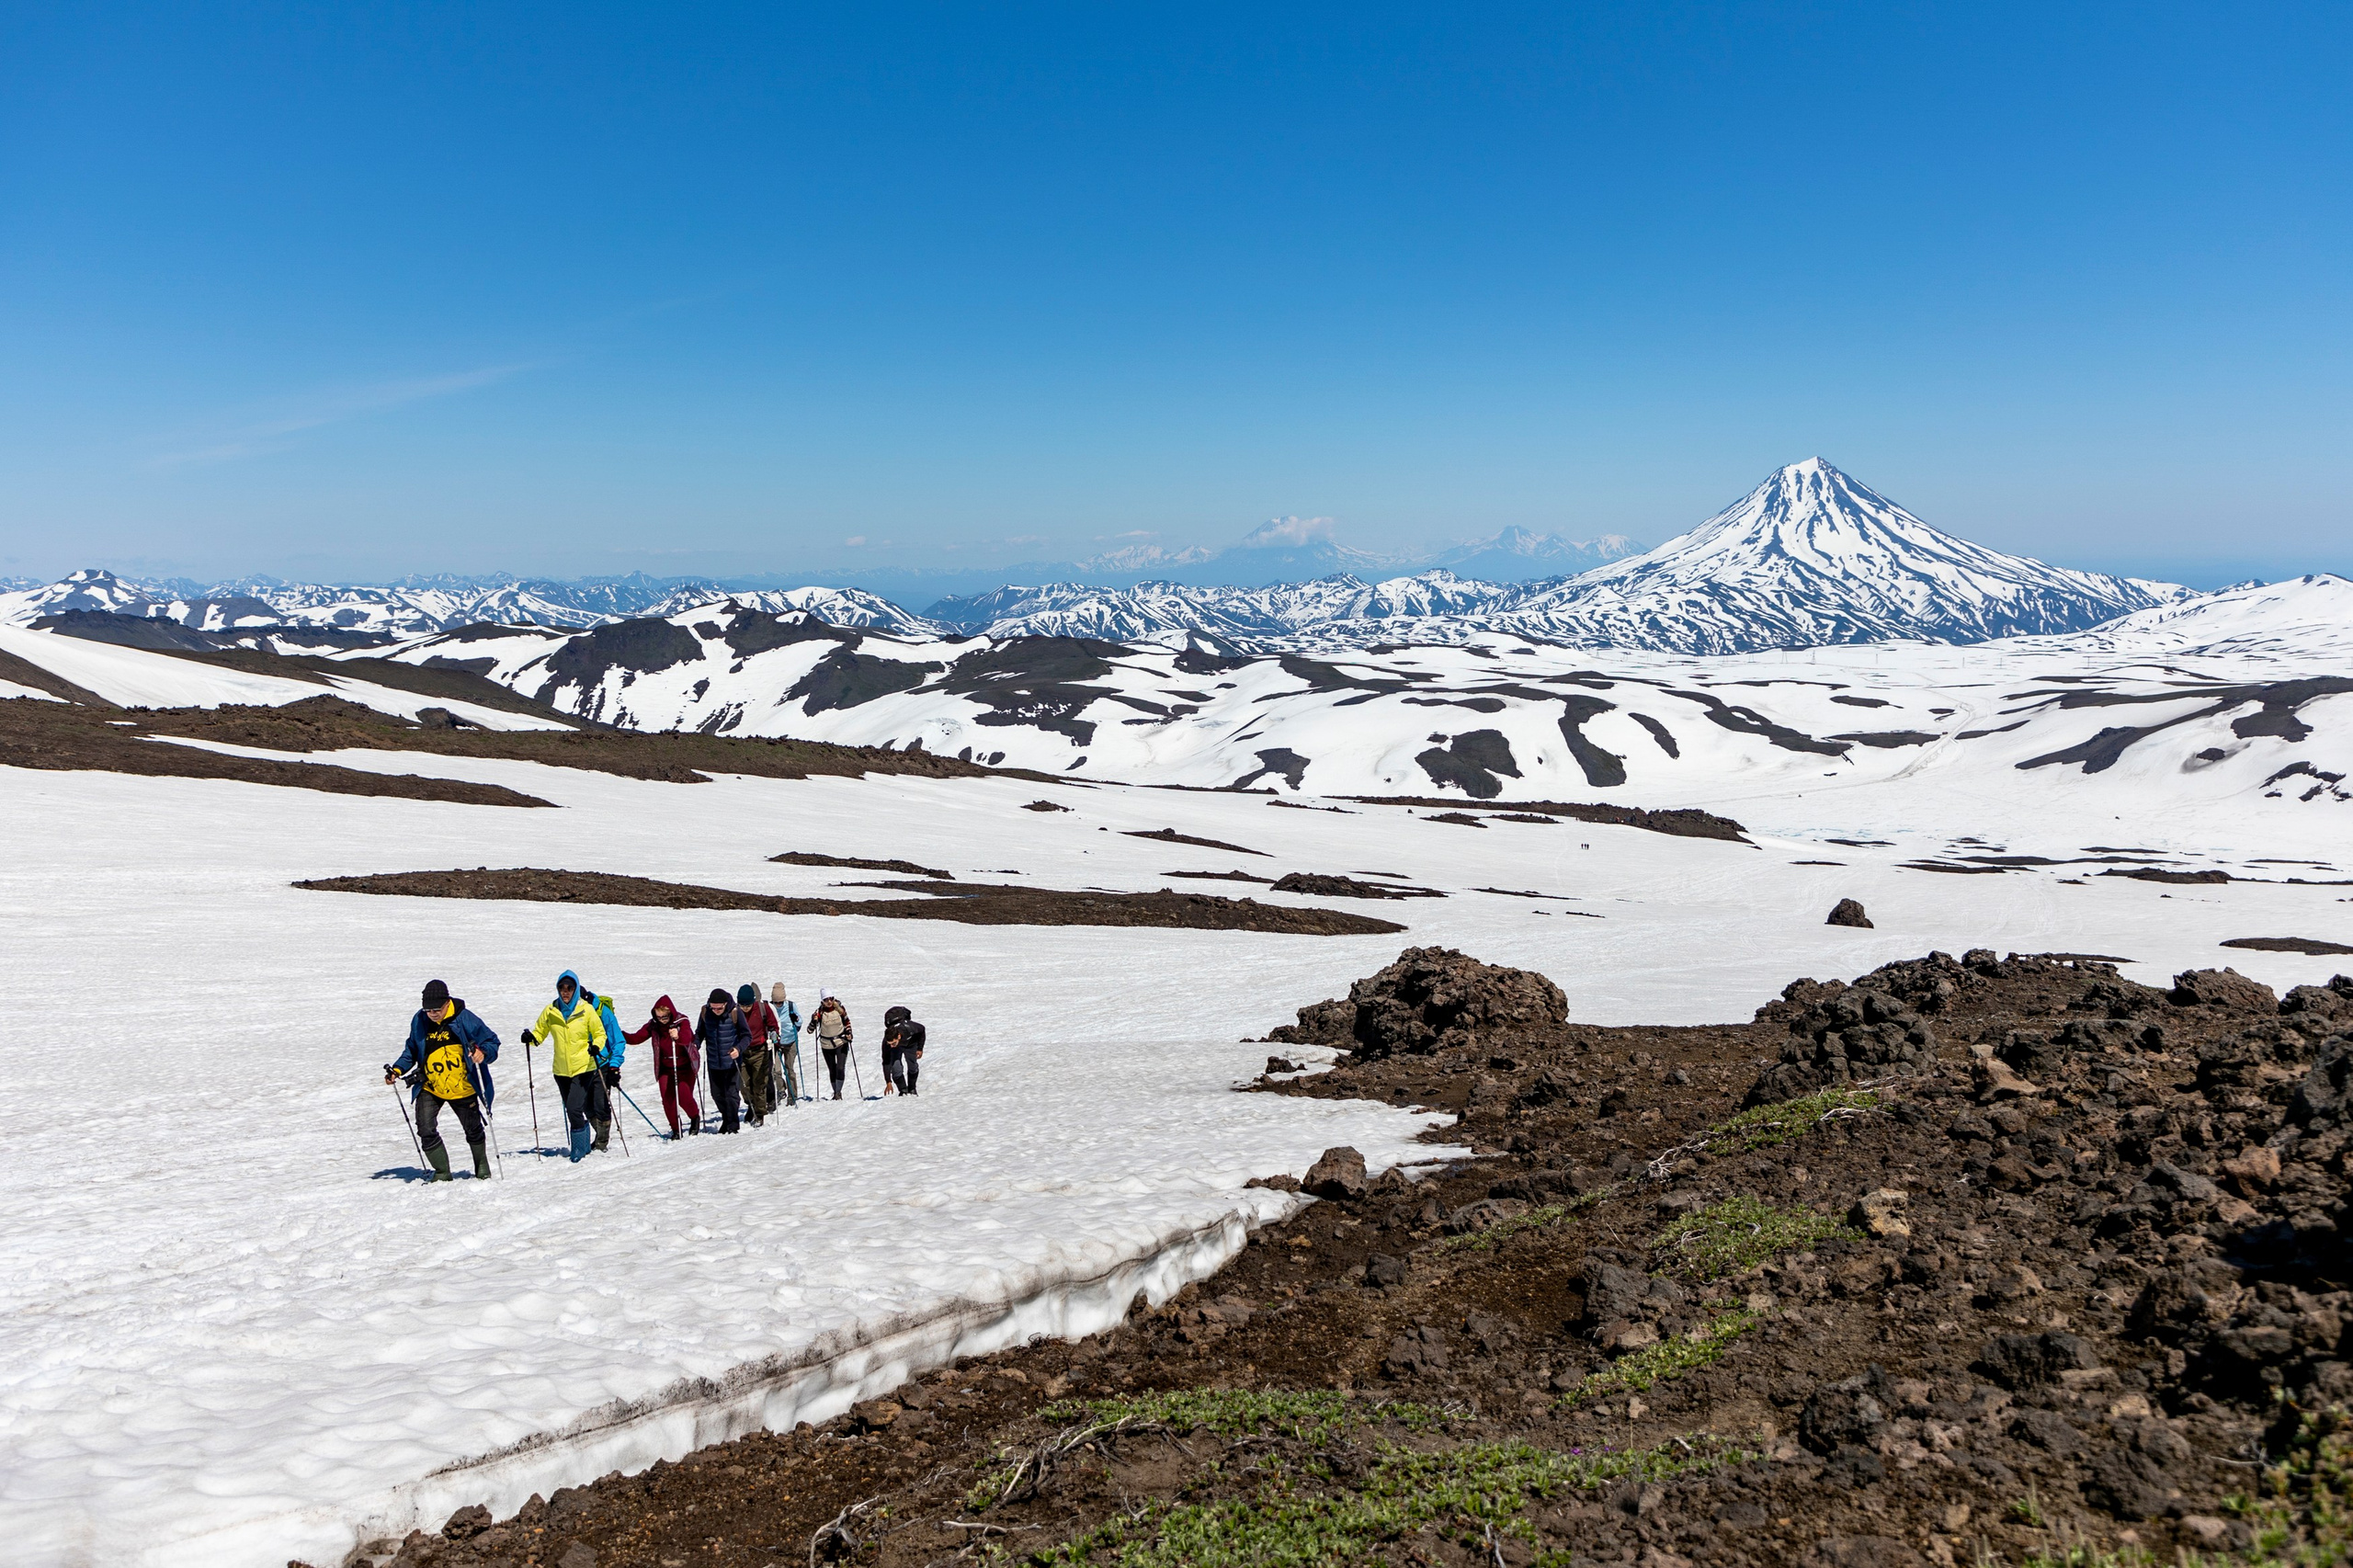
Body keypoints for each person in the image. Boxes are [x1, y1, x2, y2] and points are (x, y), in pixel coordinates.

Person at [386, 979, 500, 1181]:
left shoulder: (465, 1018)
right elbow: (412, 1049)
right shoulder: (420, 1020)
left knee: (473, 1129)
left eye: (437, 1009)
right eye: (428, 1010)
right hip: (431, 1085)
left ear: (447, 1002)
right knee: (425, 1128)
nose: (433, 1013)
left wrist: (483, 1053)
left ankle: (482, 1165)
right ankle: (442, 1172)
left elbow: (491, 1041)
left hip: (463, 1087)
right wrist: (397, 1069)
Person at [523, 970, 610, 1163]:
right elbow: (540, 1033)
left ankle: (579, 1149)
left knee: (573, 1108)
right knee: (573, 1109)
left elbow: (600, 1034)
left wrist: (596, 1046)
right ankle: (585, 1141)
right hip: (561, 1070)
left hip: (584, 1067)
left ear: (576, 989)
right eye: (562, 988)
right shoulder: (551, 1010)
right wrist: (531, 1039)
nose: (565, 992)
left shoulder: (586, 1010)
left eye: (570, 988)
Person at [627, 994, 700, 1138]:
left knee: (684, 1098)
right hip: (666, 1068)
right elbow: (636, 1038)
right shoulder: (653, 1026)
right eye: (658, 1017)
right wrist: (618, 1034)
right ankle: (676, 1129)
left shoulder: (681, 1022)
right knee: (668, 1100)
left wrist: (677, 1036)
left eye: (664, 1017)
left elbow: (688, 1038)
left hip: (685, 1067)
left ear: (670, 1014)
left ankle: (694, 1117)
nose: (661, 1020)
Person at [576, 980, 627, 1150]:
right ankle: (599, 1136)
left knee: (601, 1104)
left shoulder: (603, 1013)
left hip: (602, 1064)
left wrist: (614, 1066)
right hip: (580, 1067)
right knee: (585, 1105)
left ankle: (601, 1142)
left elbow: (618, 1040)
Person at [697, 987, 749, 1133]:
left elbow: (746, 1036)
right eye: (713, 1008)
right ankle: (727, 1119)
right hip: (714, 1062)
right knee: (717, 1095)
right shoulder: (705, 1012)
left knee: (731, 1094)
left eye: (719, 1008)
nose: (716, 1011)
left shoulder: (735, 1012)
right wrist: (695, 1045)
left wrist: (738, 1049)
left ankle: (732, 1126)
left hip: (731, 1062)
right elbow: (699, 1033)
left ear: (725, 1004)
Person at [735, 983, 780, 1126]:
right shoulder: (736, 1012)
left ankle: (760, 1114)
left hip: (759, 1050)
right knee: (744, 1084)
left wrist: (774, 1033)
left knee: (759, 1083)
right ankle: (751, 1105)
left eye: (748, 1005)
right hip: (742, 1051)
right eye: (742, 1006)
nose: (745, 1009)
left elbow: (773, 1024)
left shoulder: (762, 1008)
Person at [808, 991, 853, 1099]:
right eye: (826, 999)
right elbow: (810, 1030)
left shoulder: (840, 1009)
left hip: (841, 1042)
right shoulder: (819, 1012)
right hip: (826, 1045)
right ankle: (835, 1091)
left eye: (831, 998)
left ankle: (838, 1092)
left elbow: (847, 1022)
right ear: (822, 1001)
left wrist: (849, 1033)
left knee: (840, 1068)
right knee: (832, 1069)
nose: (829, 1002)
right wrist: (814, 1022)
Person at [881, 1005, 926, 1097]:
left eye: (893, 1043)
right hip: (900, 1046)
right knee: (895, 1068)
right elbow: (886, 1062)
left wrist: (920, 1048)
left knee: (912, 1065)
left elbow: (922, 1029)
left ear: (898, 1036)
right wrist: (888, 1082)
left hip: (911, 1043)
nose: (891, 1046)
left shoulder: (909, 1027)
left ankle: (912, 1088)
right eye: (890, 1044)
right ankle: (903, 1090)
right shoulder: (888, 1043)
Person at [769, 983, 803, 1105]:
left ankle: (792, 1095)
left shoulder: (790, 1006)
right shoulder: (769, 1007)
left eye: (780, 1002)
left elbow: (800, 1022)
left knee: (789, 1069)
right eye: (776, 1002)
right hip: (776, 1043)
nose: (778, 1005)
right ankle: (781, 1090)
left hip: (790, 1042)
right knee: (776, 1070)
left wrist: (797, 1020)